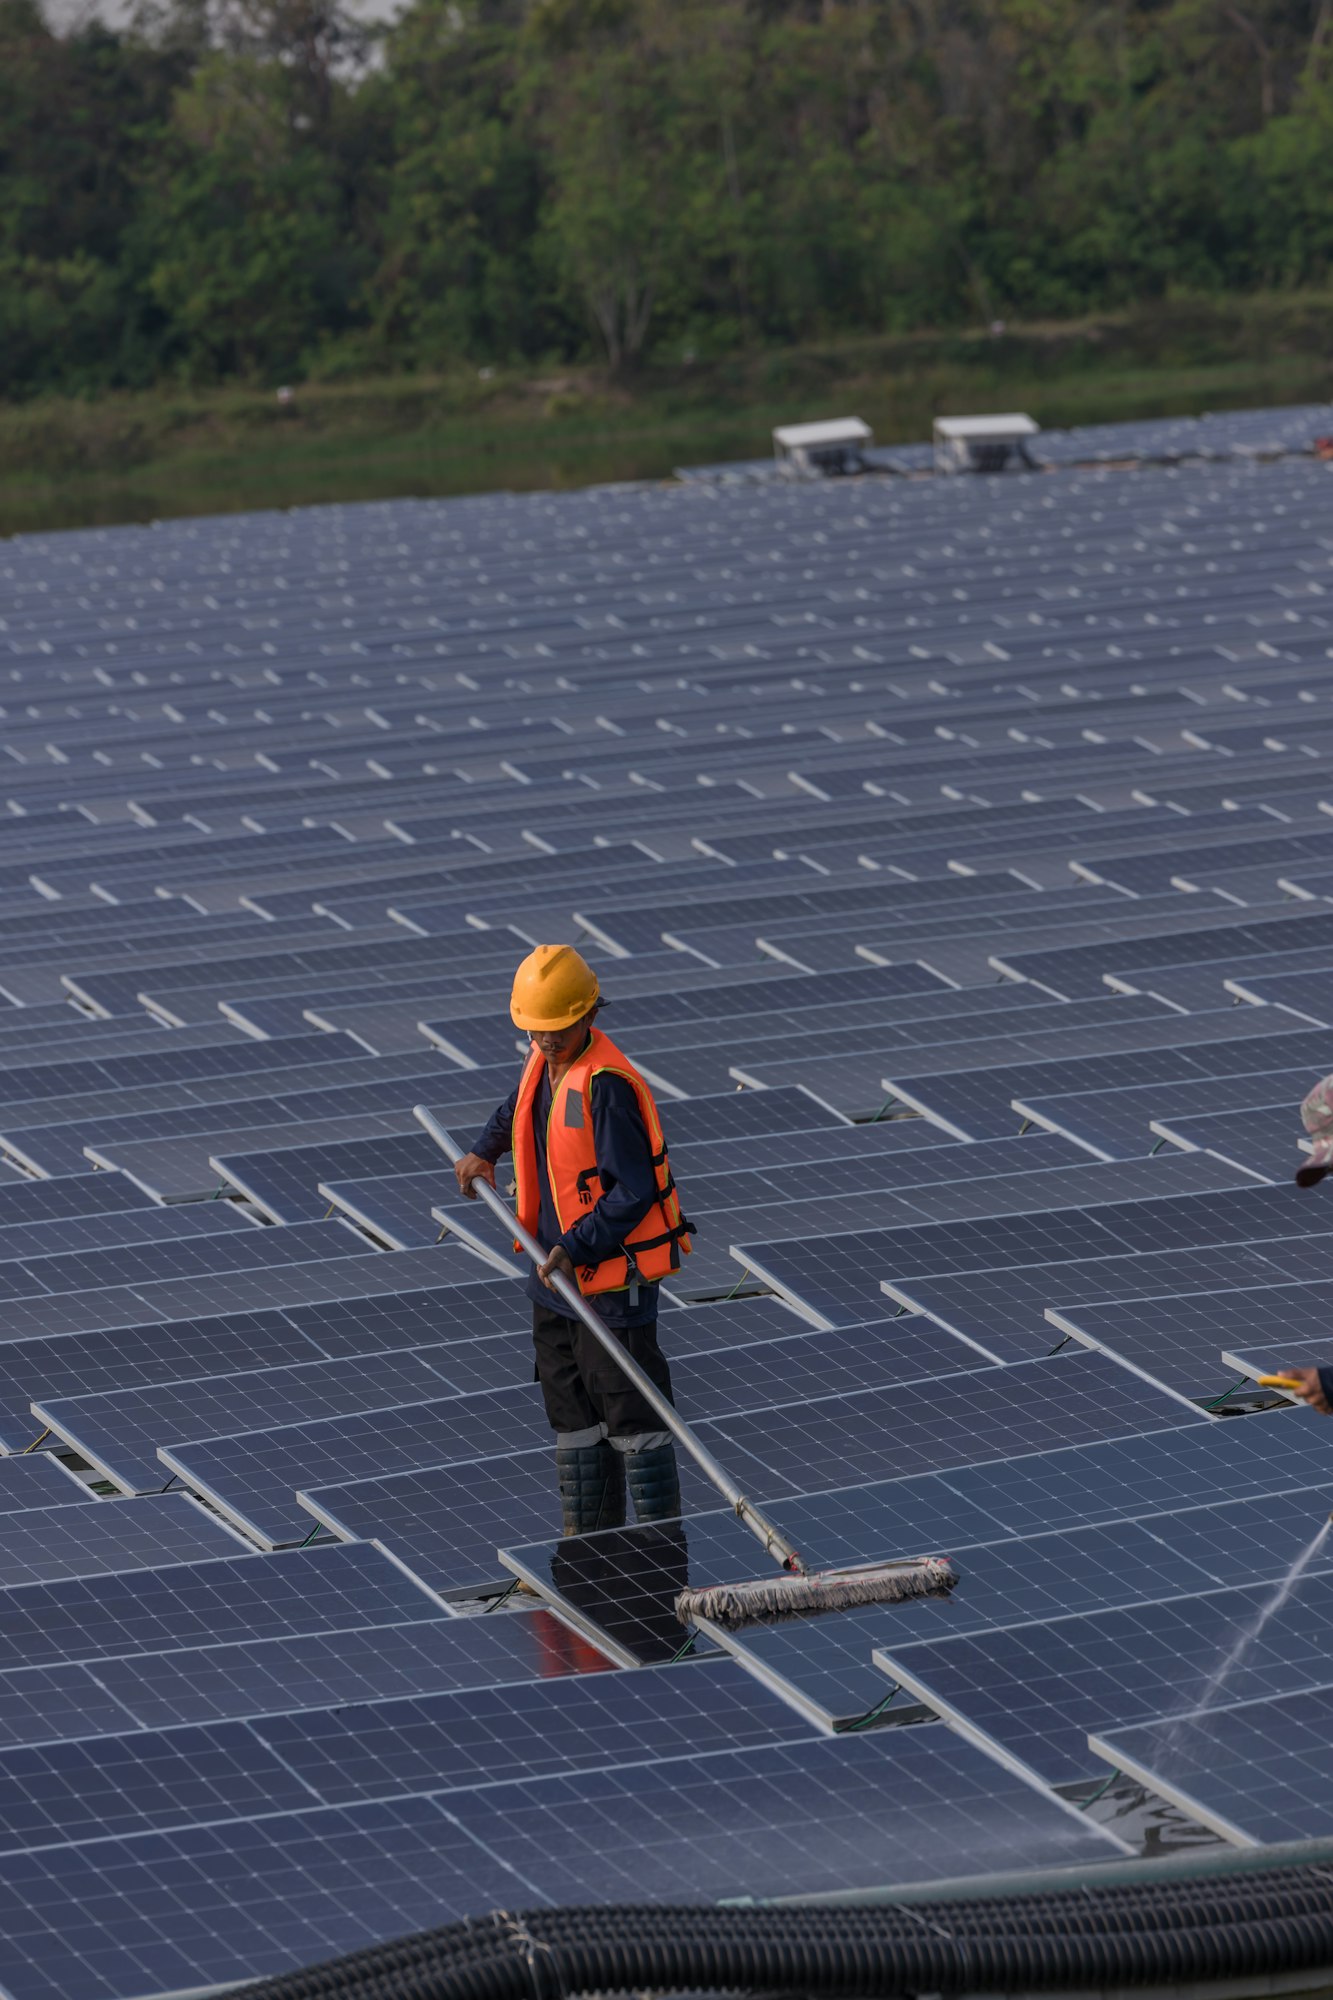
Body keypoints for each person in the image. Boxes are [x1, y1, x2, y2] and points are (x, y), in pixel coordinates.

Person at [453, 944, 694, 1536]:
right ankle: (592, 1552)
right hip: (553, 1285)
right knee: (572, 1418)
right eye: (537, 1031)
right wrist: (485, 1151)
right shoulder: (543, 1063)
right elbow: (518, 1110)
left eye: (558, 1029)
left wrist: (576, 1248)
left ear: (588, 1016)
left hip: (610, 1290)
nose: (548, 1041)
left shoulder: (607, 1086)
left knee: (632, 1420)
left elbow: (631, 1191)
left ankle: (659, 1552)